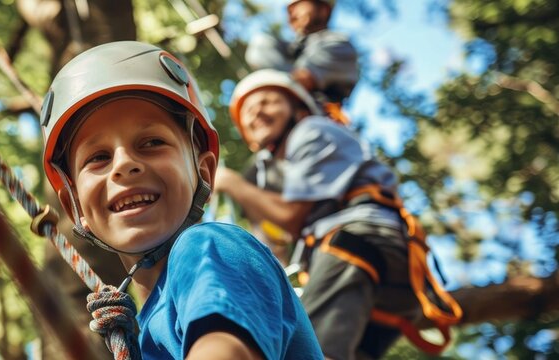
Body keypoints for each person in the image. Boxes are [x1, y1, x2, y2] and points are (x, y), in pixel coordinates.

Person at [39, 41, 323, 359]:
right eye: (98, 157)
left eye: (152, 142)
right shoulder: (150, 327)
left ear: (204, 172)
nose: (123, 164)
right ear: (73, 207)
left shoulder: (208, 248)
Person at [215, 69, 462, 359]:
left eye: (267, 101)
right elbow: (275, 247)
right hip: (387, 280)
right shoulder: (277, 173)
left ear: (299, 107)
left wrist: (231, 183)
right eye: (248, 112)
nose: (257, 113)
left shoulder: (313, 130)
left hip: (360, 243)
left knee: (308, 352)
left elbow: (291, 217)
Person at [245, 0, 357, 122]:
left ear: (323, 10)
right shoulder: (291, 49)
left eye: (297, 6)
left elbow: (301, 79)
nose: (291, 16)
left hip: (318, 124)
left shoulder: (338, 45)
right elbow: (259, 51)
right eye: (288, 11)